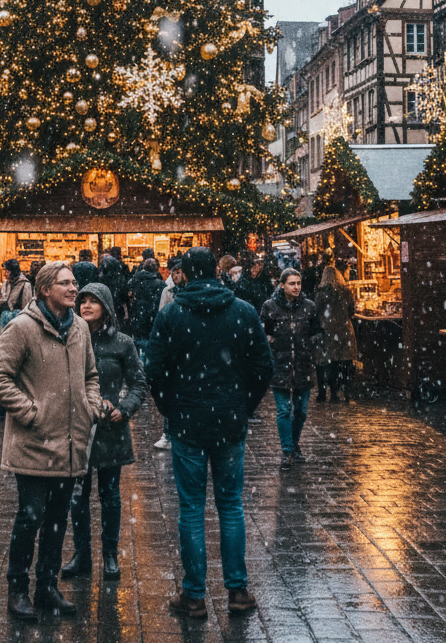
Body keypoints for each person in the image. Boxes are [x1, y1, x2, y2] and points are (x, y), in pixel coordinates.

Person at [146, 246, 273, 619]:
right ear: (217, 271)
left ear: (184, 272)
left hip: (188, 421)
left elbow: (154, 369)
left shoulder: (171, 314)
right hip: (229, 421)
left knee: (191, 508)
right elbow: (263, 365)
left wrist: (171, 407)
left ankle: (195, 594)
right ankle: (237, 591)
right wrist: (242, 405)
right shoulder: (242, 311)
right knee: (231, 505)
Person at [0, 262, 102, 622]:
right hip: (33, 443)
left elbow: (91, 375)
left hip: (70, 442)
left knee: (56, 518)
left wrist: (91, 406)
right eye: (65, 283)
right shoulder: (22, 327)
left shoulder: (80, 327)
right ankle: (17, 588)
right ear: (45, 289)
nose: (73, 288)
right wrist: (30, 411)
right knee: (31, 516)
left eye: (74, 282)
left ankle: (47, 586)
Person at [61, 282, 146, 582]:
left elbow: (139, 383)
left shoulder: (122, 343)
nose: (85, 305)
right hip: (79, 428)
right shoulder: (70, 337)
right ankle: (82, 554)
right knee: (77, 496)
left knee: (109, 495)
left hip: (110, 429)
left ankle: (110, 554)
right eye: (81, 300)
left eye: (93, 301)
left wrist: (125, 408)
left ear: (106, 307)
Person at [261, 269, 323, 469]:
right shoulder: (270, 307)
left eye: (298, 283)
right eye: (292, 283)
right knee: (284, 411)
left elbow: (318, 332)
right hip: (280, 364)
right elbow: (263, 332)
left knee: (301, 411)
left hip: (303, 365)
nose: (296, 287)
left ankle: (294, 444)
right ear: (282, 285)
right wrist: (272, 343)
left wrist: (310, 344)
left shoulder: (309, 307)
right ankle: (287, 450)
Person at [0, 259, 34, 421]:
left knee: (16, 370)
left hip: (18, 331)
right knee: (3, 369)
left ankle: (16, 406)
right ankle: (2, 407)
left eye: (7, 271)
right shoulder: (6, 284)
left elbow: (27, 307)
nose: (5, 274)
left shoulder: (25, 285)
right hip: (4, 330)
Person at [313, 264, 358, 403]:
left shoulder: (320, 293)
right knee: (344, 363)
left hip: (327, 331)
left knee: (327, 363)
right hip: (344, 330)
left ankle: (329, 394)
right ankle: (346, 393)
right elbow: (352, 310)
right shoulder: (346, 291)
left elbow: (316, 312)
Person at [153, 256, 185, 450]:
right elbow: (162, 315)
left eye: (179, 272)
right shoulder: (168, 291)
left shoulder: (188, 291)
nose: (176, 275)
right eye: (174, 273)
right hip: (171, 348)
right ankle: (168, 432)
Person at [125, 257, 163, 361]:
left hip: (137, 316)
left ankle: (138, 365)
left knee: (138, 343)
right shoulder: (159, 283)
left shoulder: (134, 280)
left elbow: (127, 293)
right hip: (152, 317)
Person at [97, 254, 128, 325]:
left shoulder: (101, 279)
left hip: (105, 309)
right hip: (117, 309)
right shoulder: (120, 279)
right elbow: (125, 298)